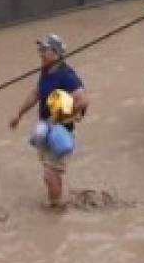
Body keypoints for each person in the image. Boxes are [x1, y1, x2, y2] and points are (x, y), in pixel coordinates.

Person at [9, 34, 89, 208]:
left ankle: (56, 209)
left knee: (49, 174)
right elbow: (36, 93)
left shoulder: (67, 76)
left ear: (56, 53)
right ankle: (60, 199)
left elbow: (83, 100)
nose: (40, 53)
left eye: (44, 50)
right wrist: (19, 114)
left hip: (61, 130)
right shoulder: (46, 71)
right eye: (40, 50)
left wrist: (59, 115)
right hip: (46, 128)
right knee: (50, 172)